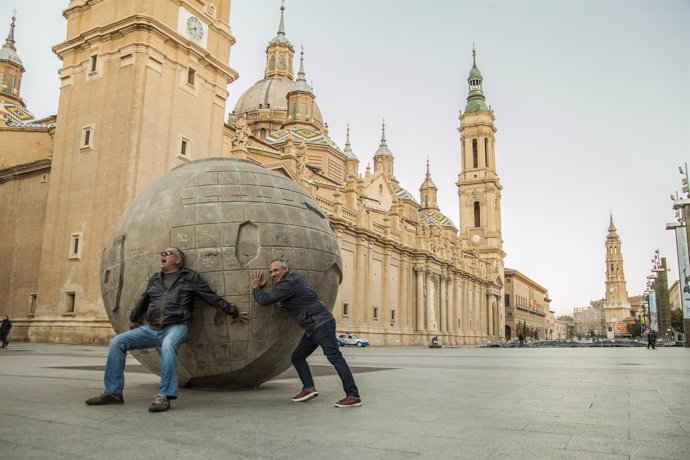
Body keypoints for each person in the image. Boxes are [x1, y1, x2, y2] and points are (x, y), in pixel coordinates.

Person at [86, 247, 249, 412]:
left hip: (177, 327)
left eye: (167, 253)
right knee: (117, 342)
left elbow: (210, 296)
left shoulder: (189, 277)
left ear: (178, 260)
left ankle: (165, 395)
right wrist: (135, 318)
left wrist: (232, 311)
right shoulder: (155, 279)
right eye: (162, 253)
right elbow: (144, 299)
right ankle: (113, 393)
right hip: (152, 329)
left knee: (168, 344)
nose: (162, 256)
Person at [250, 259, 362, 408]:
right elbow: (302, 297)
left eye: (276, 270)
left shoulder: (287, 284)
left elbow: (264, 300)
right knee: (297, 357)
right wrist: (284, 301)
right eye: (271, 271)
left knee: (335, 358)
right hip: (314, 326)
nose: (273, 274)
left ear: (285, 269)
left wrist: (255, 287)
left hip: (320, 323)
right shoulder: (295, 278)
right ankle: (308, 388)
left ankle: (353, 395)